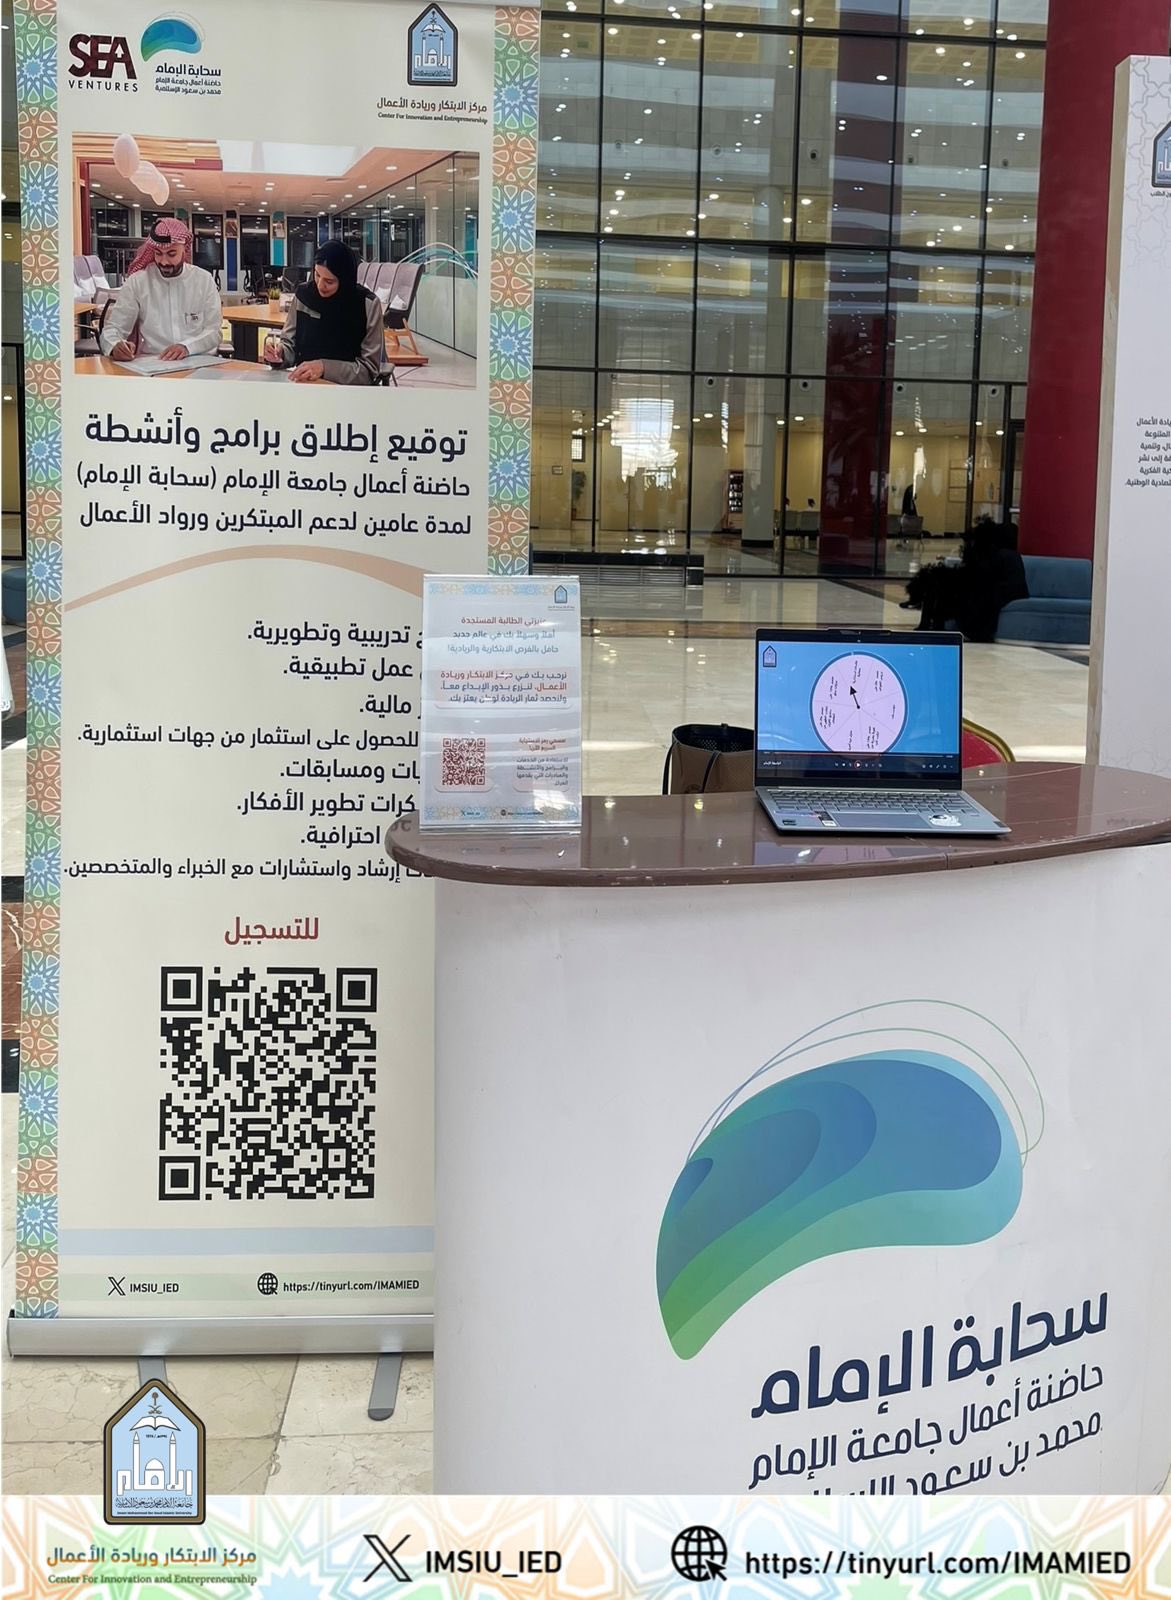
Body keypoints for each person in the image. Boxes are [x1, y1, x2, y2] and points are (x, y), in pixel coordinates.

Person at [99, 219, 222, 362]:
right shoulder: (138, 282)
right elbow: (113, 328)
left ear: (184, 250)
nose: (164, 262)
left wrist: (186, 347)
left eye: (171, 254)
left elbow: (214, 332)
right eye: (158, 253)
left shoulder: (204, 280)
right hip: (154, 362)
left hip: (199, 361)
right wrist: (115, 345)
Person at [265, 241, 383, 386]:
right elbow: (290, 345)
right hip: (306, 387)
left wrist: (324, 368)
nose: (320, 285)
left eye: (329, 281)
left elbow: (368, 370)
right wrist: (280, 354)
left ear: (345, 280)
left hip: (348, 392)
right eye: (317, 275)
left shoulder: (366, 305)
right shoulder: (304, 296)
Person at [905, 517, 1028, 642]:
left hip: (1000, 592)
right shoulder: (1000, 555)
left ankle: (934, 624)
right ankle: (933, 624)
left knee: (952, 591)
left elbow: (985, 578)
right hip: (993, 589)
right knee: (939, 584)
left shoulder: (1002, 556)